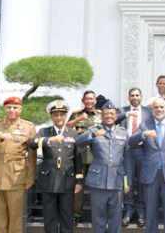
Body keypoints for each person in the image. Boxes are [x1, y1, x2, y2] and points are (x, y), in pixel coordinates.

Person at [0, 96, 37, 233]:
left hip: (17, 177)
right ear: (5, 109)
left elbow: (32, 155)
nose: (12, 110)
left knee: (15, 217)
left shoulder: (28, 127)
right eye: (9, 107)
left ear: (20, 109)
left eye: (15, 107)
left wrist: (30, 178)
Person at [128, 98, 165, 233]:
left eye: (161, 107)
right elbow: (131, 142)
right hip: (150, 174)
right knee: (150, 212)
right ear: (152, 109)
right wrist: (144, 134)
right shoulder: (145, 124)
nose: (159, 110)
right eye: (156, 107)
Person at [27, 100, 82, 233]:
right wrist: (49, 140)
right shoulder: (44, 131)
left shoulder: (73, 133)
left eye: (62, 115)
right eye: (56, 115)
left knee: (67, 217)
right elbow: (31, 143)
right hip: (49, 180)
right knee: (49, 218)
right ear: (51, 117)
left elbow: (78, 159)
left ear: (66, 116)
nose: (59, 118)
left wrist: (79, 181)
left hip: (67, 181)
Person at [75, 100, 130, 233]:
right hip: (98, 180)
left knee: (115, 218)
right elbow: (78, 143)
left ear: (116, 116)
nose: (109, 116)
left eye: (111, 113)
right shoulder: (94, 130)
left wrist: (126, 182)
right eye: (106, 113)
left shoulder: (123, 133)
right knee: (98, 218)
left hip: (117, 180)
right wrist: (92, 135)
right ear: (102, 116)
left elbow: (127, 158)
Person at [66, 90, 102, 224]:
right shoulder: (76, 114)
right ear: (83, 100)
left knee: (96, 188)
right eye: (86, 99)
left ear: (95, 101)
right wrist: (77, 120)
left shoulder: (101, 115)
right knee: (78, 187)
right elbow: (67, 128)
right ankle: (77, 214)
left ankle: (97, 215)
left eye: (91, 99)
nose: (89, 101)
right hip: (79, 156)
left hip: (96, 156)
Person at [117, 87, 152, 228]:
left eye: (137, 95)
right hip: (127, 151)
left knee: (142, 183)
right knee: (128, 183)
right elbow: (112, 120)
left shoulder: (148, 112)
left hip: (144, 151)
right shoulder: (122, 111)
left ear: (141, 96)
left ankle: (141, 213)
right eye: (132, 95)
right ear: (128, 97)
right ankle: (128, 212)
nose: (135, 97)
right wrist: (126, 115)